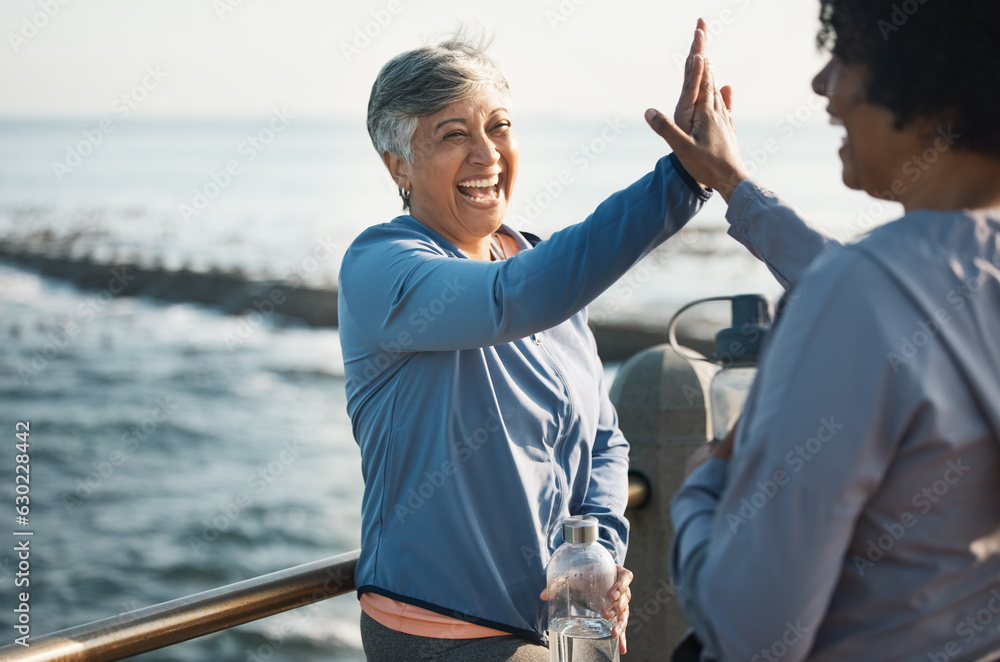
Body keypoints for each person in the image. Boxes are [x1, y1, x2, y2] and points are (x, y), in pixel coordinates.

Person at [339, 29, 712, 661]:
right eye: (453, 133)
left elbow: (604, 441)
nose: (486, 154)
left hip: (561, 626)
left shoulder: (538, 262)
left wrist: (598, 556)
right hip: (440, 630)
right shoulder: (382, 266)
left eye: (499, 127)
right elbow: (506, 298)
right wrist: (679, 180)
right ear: (397, 163)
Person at [646, 2, 1000, 660]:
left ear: (924, 74)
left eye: (846, 57)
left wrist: (702, 489)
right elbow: (895, 298)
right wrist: (730, 181)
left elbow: (750, 633)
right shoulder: (920, 283)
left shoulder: (862, 294)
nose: (821, 86)